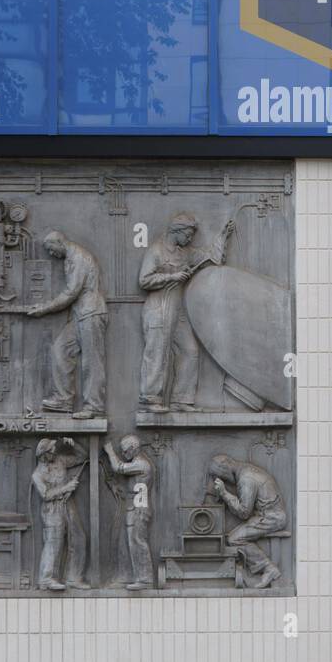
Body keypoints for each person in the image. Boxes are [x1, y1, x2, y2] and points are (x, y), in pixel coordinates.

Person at [138, 211, 233, 412]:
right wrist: (172, 277)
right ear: (177, 231)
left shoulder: (185, 253)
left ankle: (181, 399)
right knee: (157, 352)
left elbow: (211, 257)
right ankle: (150, 399)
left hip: (178, 308)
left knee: (190, 351)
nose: (190, 239)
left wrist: (223, 236)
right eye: (188, 235)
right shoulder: (156, 251)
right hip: (158, 307)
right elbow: (144, 280)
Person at [27, 231, 107, 419]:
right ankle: (63, 400)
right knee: (60, 349)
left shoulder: (78, 256)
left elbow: (71, 292)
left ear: (59, 242)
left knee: (92, 361)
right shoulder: (69, 257)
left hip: (91, 313)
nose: (51, 254)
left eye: (51, 249)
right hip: (79, 315)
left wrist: (45, 308)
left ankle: (94, 407)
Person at [208, 453, 286, 589]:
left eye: (221, 476)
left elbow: (244, 512)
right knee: (233, 536)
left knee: (234, 539)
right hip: (265, 514)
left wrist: (225, 493)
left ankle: (268, 568)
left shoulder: (246, 479)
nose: (224, 480)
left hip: (272, 517)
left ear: (226, 467)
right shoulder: (245, 469)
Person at [31, 437, 88, 591]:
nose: (54, 451)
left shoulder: (61, 461)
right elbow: (45, 495)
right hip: (52, 510)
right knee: (53, 543)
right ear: (44, 455)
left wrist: (74, 444)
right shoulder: (37, 474)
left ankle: (73, 578)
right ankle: (46, 579)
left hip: (68, 505)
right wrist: (66, 487)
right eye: (51, 449)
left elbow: (83, 457)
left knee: (79, 538)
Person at [103, 436, 154, 591]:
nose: (124, 454)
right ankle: (130, 576)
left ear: (134, 448)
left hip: (139, 508)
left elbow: (118, 467)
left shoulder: (142, 464)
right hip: (134, 507)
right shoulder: (136, 463)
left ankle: (145, 579)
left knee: (138, 541)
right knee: (130, 542)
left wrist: (110, 451)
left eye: (125, 451)